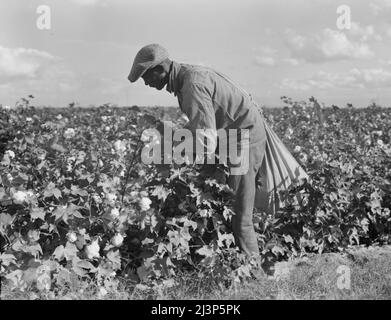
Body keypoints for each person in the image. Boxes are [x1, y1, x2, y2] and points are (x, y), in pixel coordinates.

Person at [128, 43, 308, 259]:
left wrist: (175, 152)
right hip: (232, 137)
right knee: (217, 196)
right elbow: (203, 127)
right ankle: (225, 258)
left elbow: (205, 142)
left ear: (161, 68)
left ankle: (253, 275)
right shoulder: (189, 76)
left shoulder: (191, 85)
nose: (146, 83)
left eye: (146, 76)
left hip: (243, 140)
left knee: (239, 215)